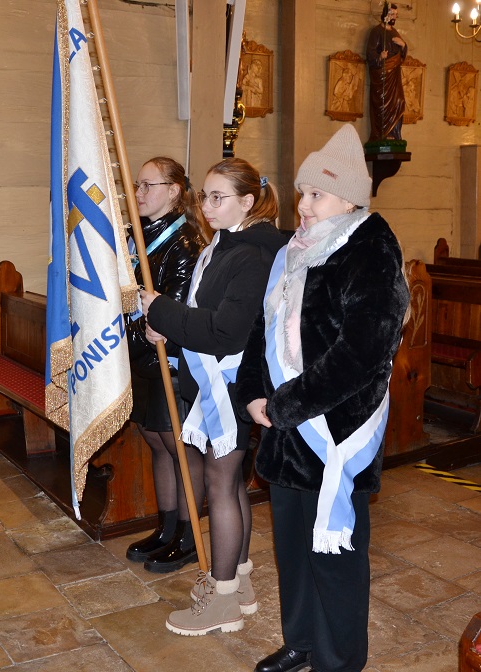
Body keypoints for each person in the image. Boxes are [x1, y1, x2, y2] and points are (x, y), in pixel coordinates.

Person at [235, 124, 410, 672]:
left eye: (317, 194)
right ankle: (302, 642)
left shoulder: (371, 250)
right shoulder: (296, 250)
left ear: (350, 200)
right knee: (292, 546)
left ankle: (338, 660)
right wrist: (252, 392)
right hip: (285, 428)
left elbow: (362, 351)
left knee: (334, 554)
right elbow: (263, 329)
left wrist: (286, 405)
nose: (303, 206)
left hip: (334, 430)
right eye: (302, 193)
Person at [140, 158, 285, 636]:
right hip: (218, 382)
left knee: (222, 485)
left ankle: (222, 597)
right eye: (204, 196)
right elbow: (203, 312)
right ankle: (239, 586)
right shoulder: (225, 244)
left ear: (248, 201)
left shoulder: (254, 254)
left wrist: (162, 310)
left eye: (218, 197)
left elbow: (226, 330)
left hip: (233, 385)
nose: (206, 205)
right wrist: (170, 329)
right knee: (231, 485)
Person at [125, 156, 207, 573]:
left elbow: (169, 317)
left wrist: (126, 338)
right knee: (157, 441)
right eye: (136, 186)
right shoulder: (139, 236)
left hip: (169, 361)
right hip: (142, 357)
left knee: (179, 446)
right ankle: (166, 529)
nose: (138, 193)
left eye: (147, 185)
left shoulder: (185, 243)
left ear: (174, 191)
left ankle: (189, 538)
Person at [366, 2, 407, 141]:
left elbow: (401, 57)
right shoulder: (376, 32)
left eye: (396, 14)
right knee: (383, 104)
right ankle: (382, 135)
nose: (394, 17)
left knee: (399, 101)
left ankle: (395, 135)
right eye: (392, 13)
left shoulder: (395, 33)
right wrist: (380, 57)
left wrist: (403, 45)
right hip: (382, 77)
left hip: (394, 76)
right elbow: (370, 54)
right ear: (385, 13)